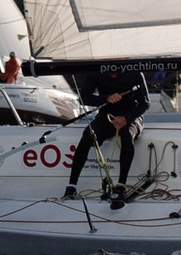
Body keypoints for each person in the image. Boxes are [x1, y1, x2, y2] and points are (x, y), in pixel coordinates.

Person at [63, 66, 149, 199]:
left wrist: (126, 118)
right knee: (87, 136)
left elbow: (145, 103)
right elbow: (84, 98)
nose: (113, 75)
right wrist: (106, 98)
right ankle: (71, 187)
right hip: (107, 115)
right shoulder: (97, 72)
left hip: (131, 115)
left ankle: (121, 186)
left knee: (127, 136)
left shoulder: (135, 73)